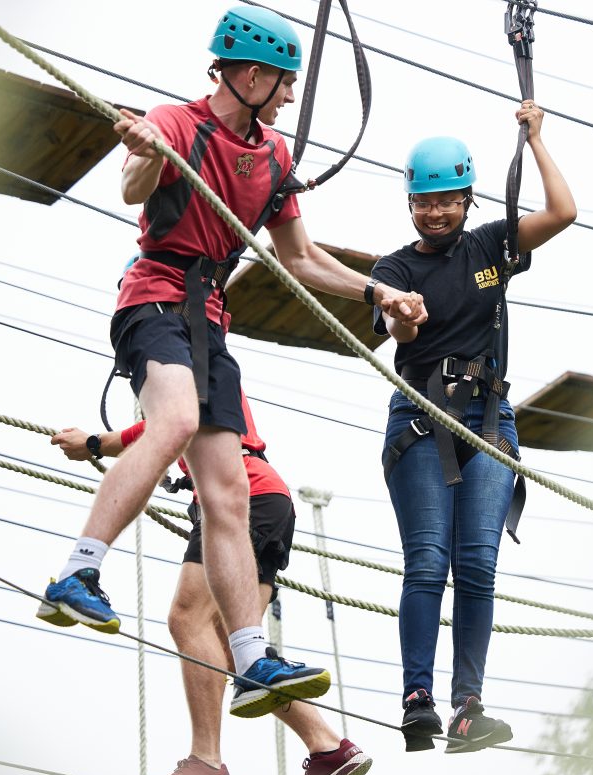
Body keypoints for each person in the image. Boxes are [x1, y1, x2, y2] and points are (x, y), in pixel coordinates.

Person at [35, 3, 425, 725]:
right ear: (249, 75)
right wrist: (148, 152)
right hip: (154, 298)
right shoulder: (175, 125)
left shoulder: (274, 158)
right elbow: (131, 191)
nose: (287, 98)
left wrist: (380, 290)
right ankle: (78, 570)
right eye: (283, 84)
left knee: (229, 497)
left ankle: (251, 657)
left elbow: (301, 257)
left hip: (209, 320)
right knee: (175, 421)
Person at [370, 100, 575, 753]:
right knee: (428, 561)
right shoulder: (395, 270)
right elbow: (396, 331)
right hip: (422, 421)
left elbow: (564, 212)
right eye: (423, 202)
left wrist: (537, 140)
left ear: (467, 198)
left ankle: (468, 705)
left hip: (487, 417)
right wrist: (402, 316)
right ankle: (417, 699)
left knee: (477, 567)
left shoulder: (492, 246)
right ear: (410, 204)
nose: (434, 212)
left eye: (447, 200)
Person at [51, 391, 372, 775]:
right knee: (236, 646)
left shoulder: (189, 355)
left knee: (188, 619)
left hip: (242, 492)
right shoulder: (196, 355)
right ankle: (328, 747)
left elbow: (169, 426)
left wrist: (96, 443)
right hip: (259, 494)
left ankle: (206, 762)